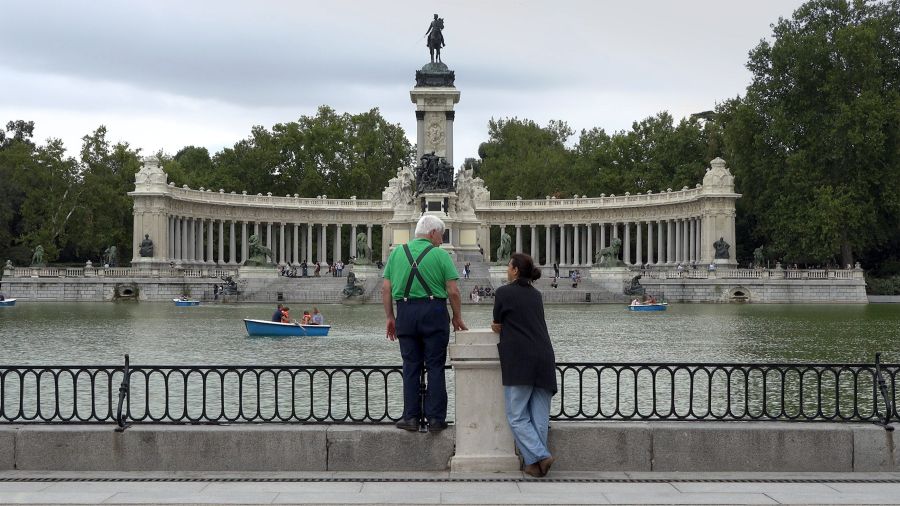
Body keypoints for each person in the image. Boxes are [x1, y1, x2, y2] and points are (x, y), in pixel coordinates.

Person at [383, 215, 467, 432]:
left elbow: (386, 289)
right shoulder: (441, 255)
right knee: (435, 366)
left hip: (405, 311)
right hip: (434, 311)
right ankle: (436, 419)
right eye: (441, 234)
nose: (441, 239)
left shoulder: (397, 253)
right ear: (432, 233)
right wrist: (457, 316)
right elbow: (453, 291)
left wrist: (390, 317)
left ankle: (410, 417)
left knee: (410, 365)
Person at [491, 253, 558, 478]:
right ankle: (534, 465)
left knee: (517, 416)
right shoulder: (536, 295)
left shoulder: (503, 292)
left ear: (515, 270)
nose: (506, 270)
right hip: (545, 357)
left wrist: (496, 327)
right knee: (539, 417)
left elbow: (497, 322)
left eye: (509, 266)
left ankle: (541, 455)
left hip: (520, 360)